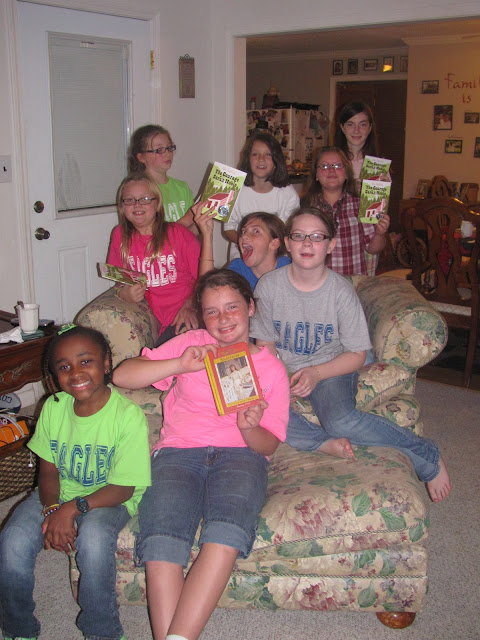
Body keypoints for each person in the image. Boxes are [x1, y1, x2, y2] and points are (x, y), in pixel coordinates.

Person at [113, 269, 289, 640]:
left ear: (250, 307)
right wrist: (180, 364)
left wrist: (248, 426)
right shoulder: (192, 344)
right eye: (212, 311)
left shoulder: (271, 369)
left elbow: (269, 445)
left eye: (232, 307)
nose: (223, 319)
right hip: (179, 451)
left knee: (226, 532)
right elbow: (122, 376)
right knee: (161, 538)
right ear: (202, 316)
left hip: (241, 455)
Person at [250, 207, 451, 504]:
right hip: (285, 369)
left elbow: (357, 354)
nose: (307, 243)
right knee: (257, 411)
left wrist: (316, 373)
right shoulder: (269, 286)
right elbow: (265, 345)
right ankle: (322, 443)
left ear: (330, 245)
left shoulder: (340, 291)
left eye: (317, 237)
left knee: (340, 420)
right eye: (299, 236)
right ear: (288, 243)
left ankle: (426, 454)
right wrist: (278, 380)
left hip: (332, 366)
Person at [0, 325, 151, 640]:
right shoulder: (53, 408)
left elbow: (123, 488)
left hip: (109, 497)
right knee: (12, 541)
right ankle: (18, 627)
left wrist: (70, 509)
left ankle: (102, 630)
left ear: (106, 363)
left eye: (85, 361)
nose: (76, 373)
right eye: (64, 367)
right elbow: (48, 472)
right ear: (55, 375)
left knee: (94, 540)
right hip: (59, 492)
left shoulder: (128, 416)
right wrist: (52, 508)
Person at [107, 172, 202, 344]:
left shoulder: (179, 234)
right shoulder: (119, 235)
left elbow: (205, 278)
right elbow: (119, 279)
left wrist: (190, 306)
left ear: (157, 203)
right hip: (159, 320)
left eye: (145, 199)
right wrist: (124, 293)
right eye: (129, 200)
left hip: (185, 314)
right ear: (122, 206)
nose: (137, 205)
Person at [301, 146, 389, 276]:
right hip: (318, 281)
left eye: (337, 166)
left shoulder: (361, 204)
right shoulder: (306, 208)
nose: (331, 170)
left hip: (353, 282)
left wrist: (380, 234)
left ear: (347, 173)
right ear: (316, 175)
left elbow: (372, 249)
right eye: (324, 166)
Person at [333, 100, 391, 274]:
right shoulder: (332, 162)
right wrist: (352, 189)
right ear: (342, 127)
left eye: (362, 124)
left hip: (369, 236)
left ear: (370, 127)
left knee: (363, 282)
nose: (356, 131)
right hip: (339, 234)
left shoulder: (378, 166)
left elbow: (380, 211)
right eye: (350, 124)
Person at [224, 132, 299, 258]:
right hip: (242, 258)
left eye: (268, 154)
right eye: (255, 154)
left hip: (276, 258)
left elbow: (288, 232)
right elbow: (228, 229)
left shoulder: (288, 194)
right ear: (248, 159)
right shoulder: (234, 189)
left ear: (276, 160)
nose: (261, 159)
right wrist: (247, 243)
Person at [195, 207, 290, 289]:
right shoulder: (238, 268)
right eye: (243, 231)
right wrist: (207, 235)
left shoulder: (289, 268)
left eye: (256, 231)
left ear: (274, 243)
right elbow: (210, 289)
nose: (244, 236)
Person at [128, 124, 197, 232]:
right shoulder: (140, 191)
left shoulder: (182, 188)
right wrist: (188, 218)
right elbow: (153, 235)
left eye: (169, 148)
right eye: (159, 150)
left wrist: (202, 221)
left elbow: (187, 234)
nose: (167, 154)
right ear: (141, 157)